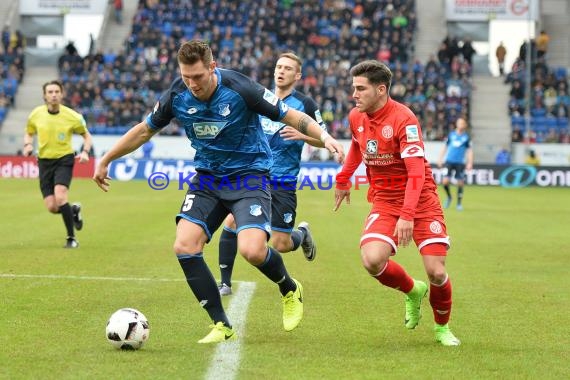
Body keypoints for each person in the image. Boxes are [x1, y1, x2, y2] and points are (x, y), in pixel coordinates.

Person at [93, 40, 344, 344]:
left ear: (212, 67)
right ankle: (221, 324)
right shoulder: (177, 93)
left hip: (249, 176)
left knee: (252, 250)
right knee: (184, 246)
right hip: (208, 179)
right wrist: (106, 158)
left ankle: (290, 288)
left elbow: (290, 115)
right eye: (186, 76)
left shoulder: (241, 88)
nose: (191, 84)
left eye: (197, 76)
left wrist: (325, 136)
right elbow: (145, 130)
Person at [334, 60, 460, 347]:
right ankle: (412, 290)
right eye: (353, 88)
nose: (354, 94)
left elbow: (416, 172)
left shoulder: (405, 119)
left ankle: (442, 328)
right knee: (372, 260)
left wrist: (408, 215)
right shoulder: (357, 116)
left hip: (421, 199)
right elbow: (357, 145)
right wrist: (343, 178)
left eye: (360, 89)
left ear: (381, 90)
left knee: (437, 272)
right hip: (385, 199)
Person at [217, 52, 326, 296]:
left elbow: (325, 139)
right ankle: (224, 282)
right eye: (279, 66)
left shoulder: (306, 105)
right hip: (254, 175)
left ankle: (302, 234)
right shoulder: (260, 98)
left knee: (281, 243)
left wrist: (302, 135)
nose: (281, 71)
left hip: (283, 181)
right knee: (232, 222)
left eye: (288, 68)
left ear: (297, 75)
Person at [23, 80, 92, 248]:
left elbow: (87, 136)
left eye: (56, 91)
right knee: (52, 207)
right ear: (45, 96)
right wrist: (28, 144)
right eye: (50, 92)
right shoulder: (36, 114)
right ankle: (73, 211)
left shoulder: (72, 116)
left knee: (60, 196)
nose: (53, 95)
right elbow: (29, 132)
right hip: (44, 161)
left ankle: (71, 238)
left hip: (64, 159)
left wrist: (85, 152)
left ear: (62, 94)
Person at [438, 117, 473, 211]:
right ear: (457, 124)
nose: (460, 124)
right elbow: (445, 147)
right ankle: (449, 197)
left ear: (465, 125)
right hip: (449, 161)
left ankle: (459, 204)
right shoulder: (451, 135)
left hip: (460, 163)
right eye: (459, 123)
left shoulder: (466, 137)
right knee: (445, 182)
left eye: (462, 123)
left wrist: (470, 162)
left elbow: (469, 151)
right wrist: (440, 159)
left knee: (460, 183)